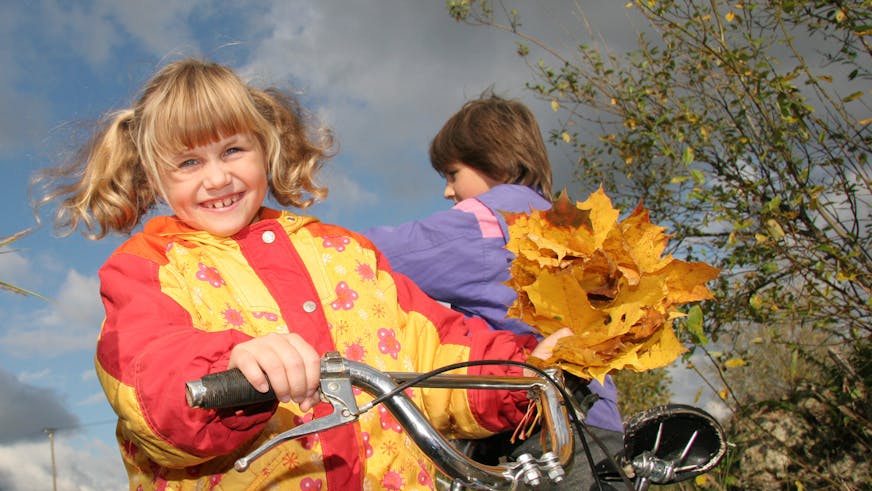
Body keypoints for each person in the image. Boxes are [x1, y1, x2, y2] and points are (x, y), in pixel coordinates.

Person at [35, 59, 571, 491]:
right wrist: (233, 366)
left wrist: (522, 372)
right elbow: (145, 374)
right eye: (188, 163)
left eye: (233, 150)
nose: (217, 177)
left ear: (265, 147)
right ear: (153, 174)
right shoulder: (146, 268)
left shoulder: (345, 252)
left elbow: (439, 350)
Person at [363, 93, 625, 490]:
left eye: (452, 174)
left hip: (535, 431)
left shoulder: (488, 224)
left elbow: (378, 254)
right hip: (599, 421)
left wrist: (304, 241)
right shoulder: (566, 224)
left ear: (495, 161)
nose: (447, 192)